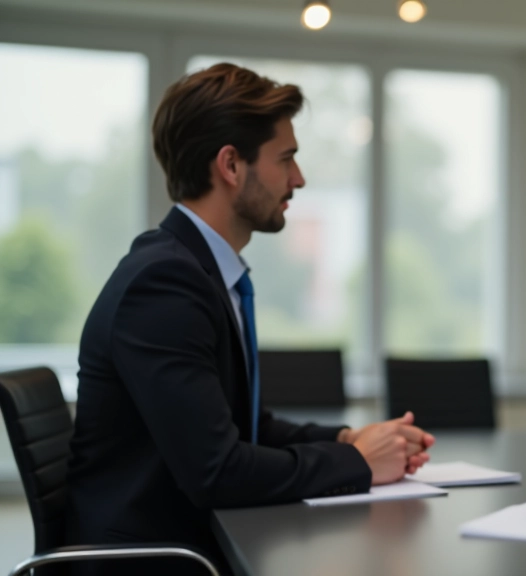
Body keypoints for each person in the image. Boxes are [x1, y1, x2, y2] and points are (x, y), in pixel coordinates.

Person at [67, 63, 434, 575]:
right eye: (286, 159)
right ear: (231, 166)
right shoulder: (165, 284)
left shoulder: (196, 269)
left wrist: (346, 440)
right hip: (157, 561)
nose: (299, 178)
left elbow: (242, 425)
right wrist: (358, 464)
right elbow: (218, 470)